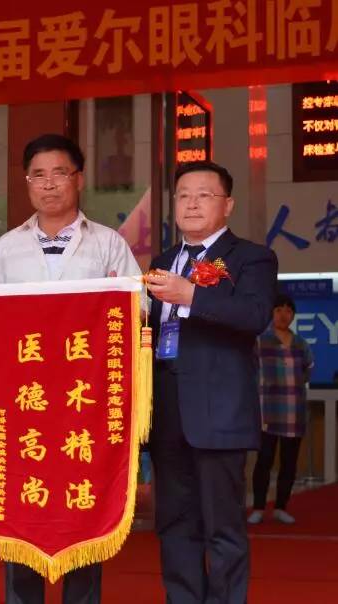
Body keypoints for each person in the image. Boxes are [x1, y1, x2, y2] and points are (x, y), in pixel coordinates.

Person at [0, 133, 141, 604]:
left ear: (79, 179)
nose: (49, 184)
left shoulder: (109, 244)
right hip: (24, 405)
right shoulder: (7, 247)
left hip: (83, 406)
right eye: (38, 175)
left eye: (59, 173)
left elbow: (139, 311)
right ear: (27, 182)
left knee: (83, 508)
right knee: (23, 508)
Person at [145, 160, 278, 604]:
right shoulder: (163, 261)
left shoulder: (251, 257)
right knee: (174, 524)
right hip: (167, 410)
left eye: (204, 195)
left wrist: (191, 295)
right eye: (183, 195)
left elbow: (254, 315)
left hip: (219, 414)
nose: (192, 204)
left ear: (228, 205)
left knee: (223, 527)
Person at [248, 293, 314, 525]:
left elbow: (307, 371)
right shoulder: (259, 341)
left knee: (289, 463)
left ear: (293, 315)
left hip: (294, 413)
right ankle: (258, 507)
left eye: (288, 310)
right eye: (278, 310)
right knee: (264, 461)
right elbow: (250, 370)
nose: (283, 315)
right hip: (267, 411)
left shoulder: (301, 344)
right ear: (271, 314)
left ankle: (280, 507)